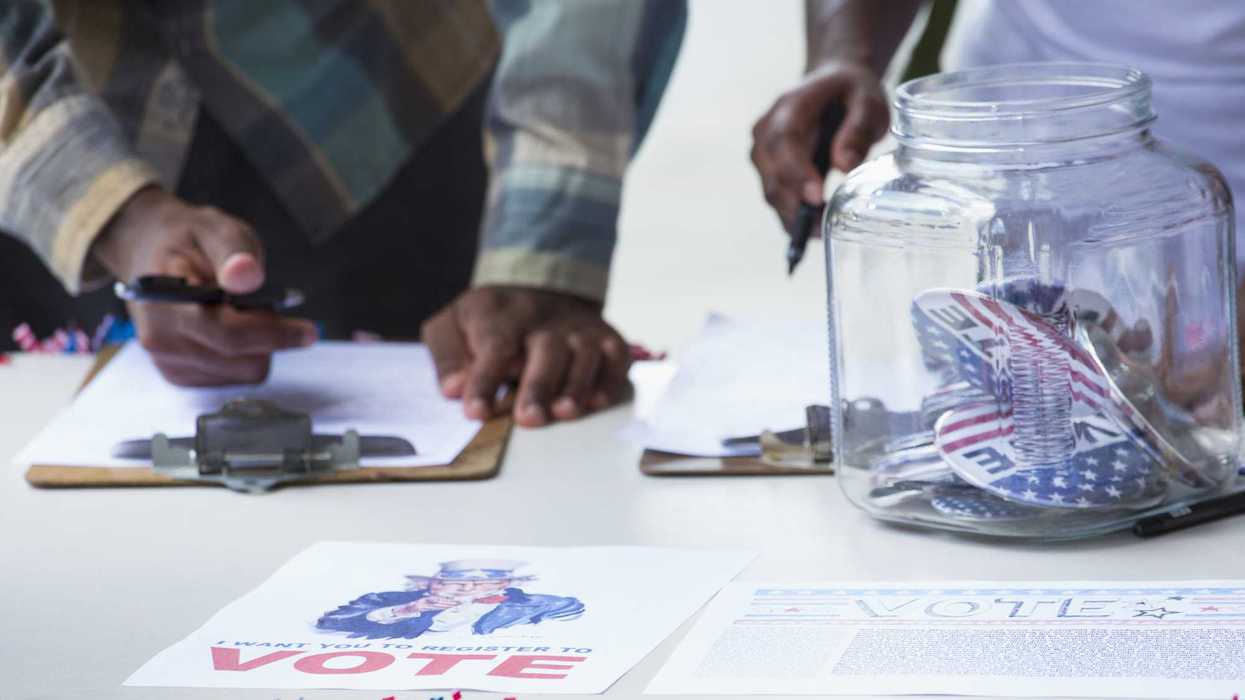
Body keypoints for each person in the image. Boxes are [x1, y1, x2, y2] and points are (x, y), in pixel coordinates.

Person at [0, 0, 686, 427]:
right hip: (36, 131)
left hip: (382, 100)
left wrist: (539, 250)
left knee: (461, 445)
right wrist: (111, 213)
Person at [316, 559, 583, 640]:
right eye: (455, 583)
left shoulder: (545, 604)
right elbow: (330, 623)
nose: (467, 588)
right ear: (433, 583)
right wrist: (406, 610)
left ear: (505, 585)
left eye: (482, 584)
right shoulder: (387, 599)